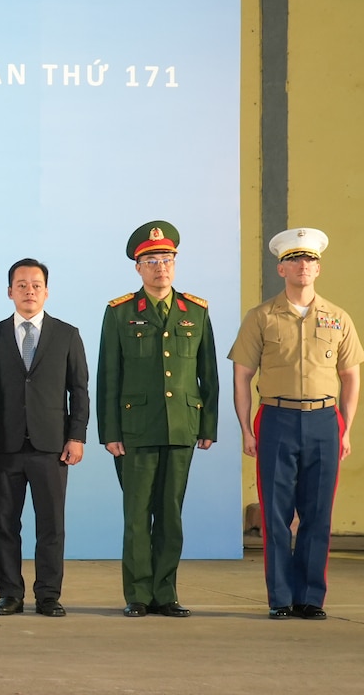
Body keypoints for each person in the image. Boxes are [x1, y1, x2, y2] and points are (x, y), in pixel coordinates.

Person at [229, 227, 358, 620]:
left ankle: (310, 598)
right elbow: (242, 375)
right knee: (276, 514)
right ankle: (281, 597)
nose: (304, 266)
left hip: (324, 420)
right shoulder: (262, 317)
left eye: (311, 260)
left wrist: (346, 427)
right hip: (277, 419)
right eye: (296, 260)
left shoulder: (338, 318)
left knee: (318, 513)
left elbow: (351, 375)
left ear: (318, 269)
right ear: (281, 268)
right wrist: (246, 429)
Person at [96, 220, 218, 617]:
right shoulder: (119, 312)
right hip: (135, 430)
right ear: (138, 267)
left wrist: (208, 426)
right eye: (151, 260)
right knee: (136, 516)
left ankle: (166, 593)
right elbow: (108, 376)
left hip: (182, 426)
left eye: (166, 259)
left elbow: (208, 373)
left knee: (170, 514)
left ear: (175, 264)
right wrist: (109, 432)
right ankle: (138, 594)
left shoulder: (195, 311)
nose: (160, 267)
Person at [0, 258, 89, 618]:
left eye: (36, 285)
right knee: (4, 523)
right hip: (6, 446)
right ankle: (10, 594)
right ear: (9, 291)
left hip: (52, 447)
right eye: (22, 284)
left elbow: (79, 390)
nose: (29, 291)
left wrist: (76, 436)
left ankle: (48, 595)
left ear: (47, 291)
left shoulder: (67, 334)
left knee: (51, 525)